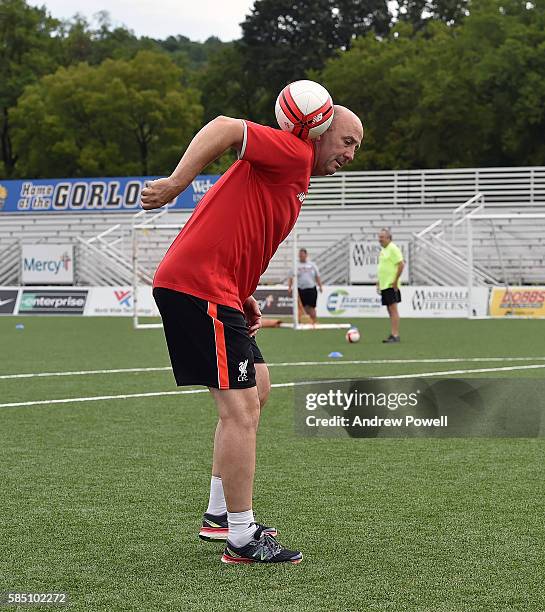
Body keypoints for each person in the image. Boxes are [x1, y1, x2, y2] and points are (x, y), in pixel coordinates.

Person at [140, 106, 363, 564]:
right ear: (318, 131)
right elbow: (224, 128)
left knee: (257, 389)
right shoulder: (295, 154)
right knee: (240, 409)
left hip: (218, 289)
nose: (352, 153)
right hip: (197, 286)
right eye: (346, 141)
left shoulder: (291, 174)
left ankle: (220, 514)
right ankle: (241, 538)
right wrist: (175, 184)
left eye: (357, 145)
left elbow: (239, 228)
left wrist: (243, 294)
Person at [376, 228, 404, 343]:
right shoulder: (384, 250)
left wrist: (395, 281)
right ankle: (393, 333)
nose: (379, 239)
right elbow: (383, 267)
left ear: (388, 238)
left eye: (382, 237)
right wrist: (378, 282)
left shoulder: (393, 248)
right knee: (389, 309)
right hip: (384, 284)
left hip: (391, 284)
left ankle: (395, 335)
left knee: (393, 309)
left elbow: (401, 264)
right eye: (379, 237)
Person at [288, 248, 323, 324]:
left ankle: (314, 322)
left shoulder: (312, 265)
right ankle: (302, 322)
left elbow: (317, 276)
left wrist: (320, 286)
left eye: (302, 255)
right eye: (300, 255)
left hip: (311, 288)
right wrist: (290, 287)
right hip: (300, 289)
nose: (301, 256)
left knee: (311, 307)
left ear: (306, 255)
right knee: (301, 307)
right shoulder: (296, 266)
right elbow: (291, 277)